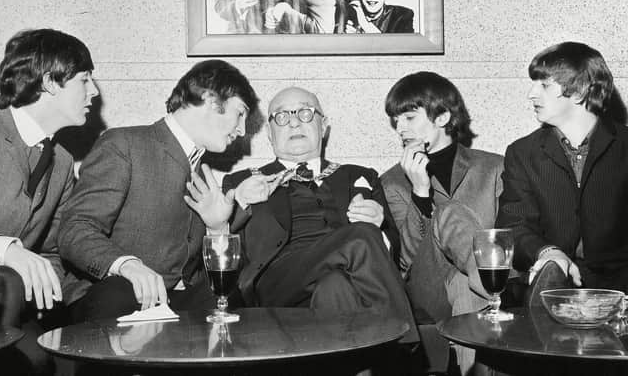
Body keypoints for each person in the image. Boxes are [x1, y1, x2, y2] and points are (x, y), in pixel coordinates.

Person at [57, 59, 259, 323]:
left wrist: (218, 227)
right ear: (211, 99)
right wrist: (126, 265)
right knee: (121, 293)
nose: (242, 131)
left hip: (172, 302)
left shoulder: (201, 174)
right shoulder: (123, 145)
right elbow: (75, 229)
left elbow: (203, 275)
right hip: (112, 294)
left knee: (229, 301)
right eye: (240, 113)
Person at [222, 87, 417, 345]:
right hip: (276, 282)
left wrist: (380, 226)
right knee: (360, 236)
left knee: (335, 287)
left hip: (340, 282)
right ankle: (405, 347)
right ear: (269, 134)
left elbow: (394, 256)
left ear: (323, 126)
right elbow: (221, 248)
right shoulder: (242, 181)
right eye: (281, 116)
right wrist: (241, 201)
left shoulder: (358, 175)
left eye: (305, 113)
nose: (293, 122)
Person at [0, 28, 98, 374]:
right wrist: (2, 251)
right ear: (51, 82)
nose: (93, 92)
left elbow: (54, 250)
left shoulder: (62, 161)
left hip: (13, 311)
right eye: (84, 79)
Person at [381, 72, 503, 375]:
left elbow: (508, 236)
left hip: (471, 284)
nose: (400, 128)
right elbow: (406, 262)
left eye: (409, 117)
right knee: (449, 212)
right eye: (396, 120)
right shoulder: (393, 182)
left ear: (443, 116)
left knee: (463, 280)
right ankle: (493, 293)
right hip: (427, 290)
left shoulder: (493, 167)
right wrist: (420, 193)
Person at [496, 42, 628, 293]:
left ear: (579, 92)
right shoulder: (522, 153)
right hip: (550, 291)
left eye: (544, 85)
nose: (531, 94)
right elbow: (513, 226)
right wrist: (547, 252)